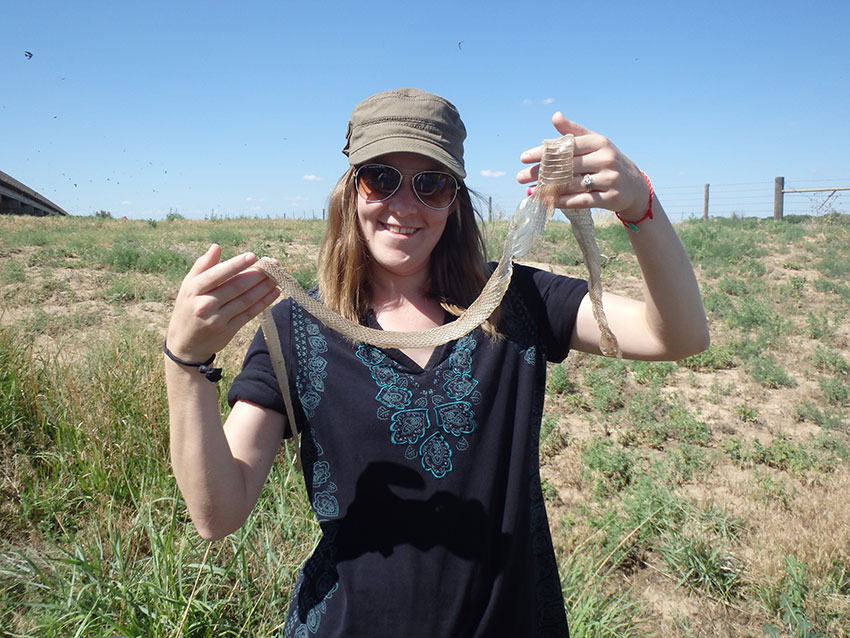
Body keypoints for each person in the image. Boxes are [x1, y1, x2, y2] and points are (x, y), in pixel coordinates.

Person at [164, 87, 709, 637]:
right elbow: (218, 514)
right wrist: (184, 363)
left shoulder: (515, 300)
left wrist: (640, 206)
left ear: (456, 200)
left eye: (431, 184)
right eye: (381, 178)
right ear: (350, 191)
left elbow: (677, 335)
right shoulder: (297, 329)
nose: (404, 205)